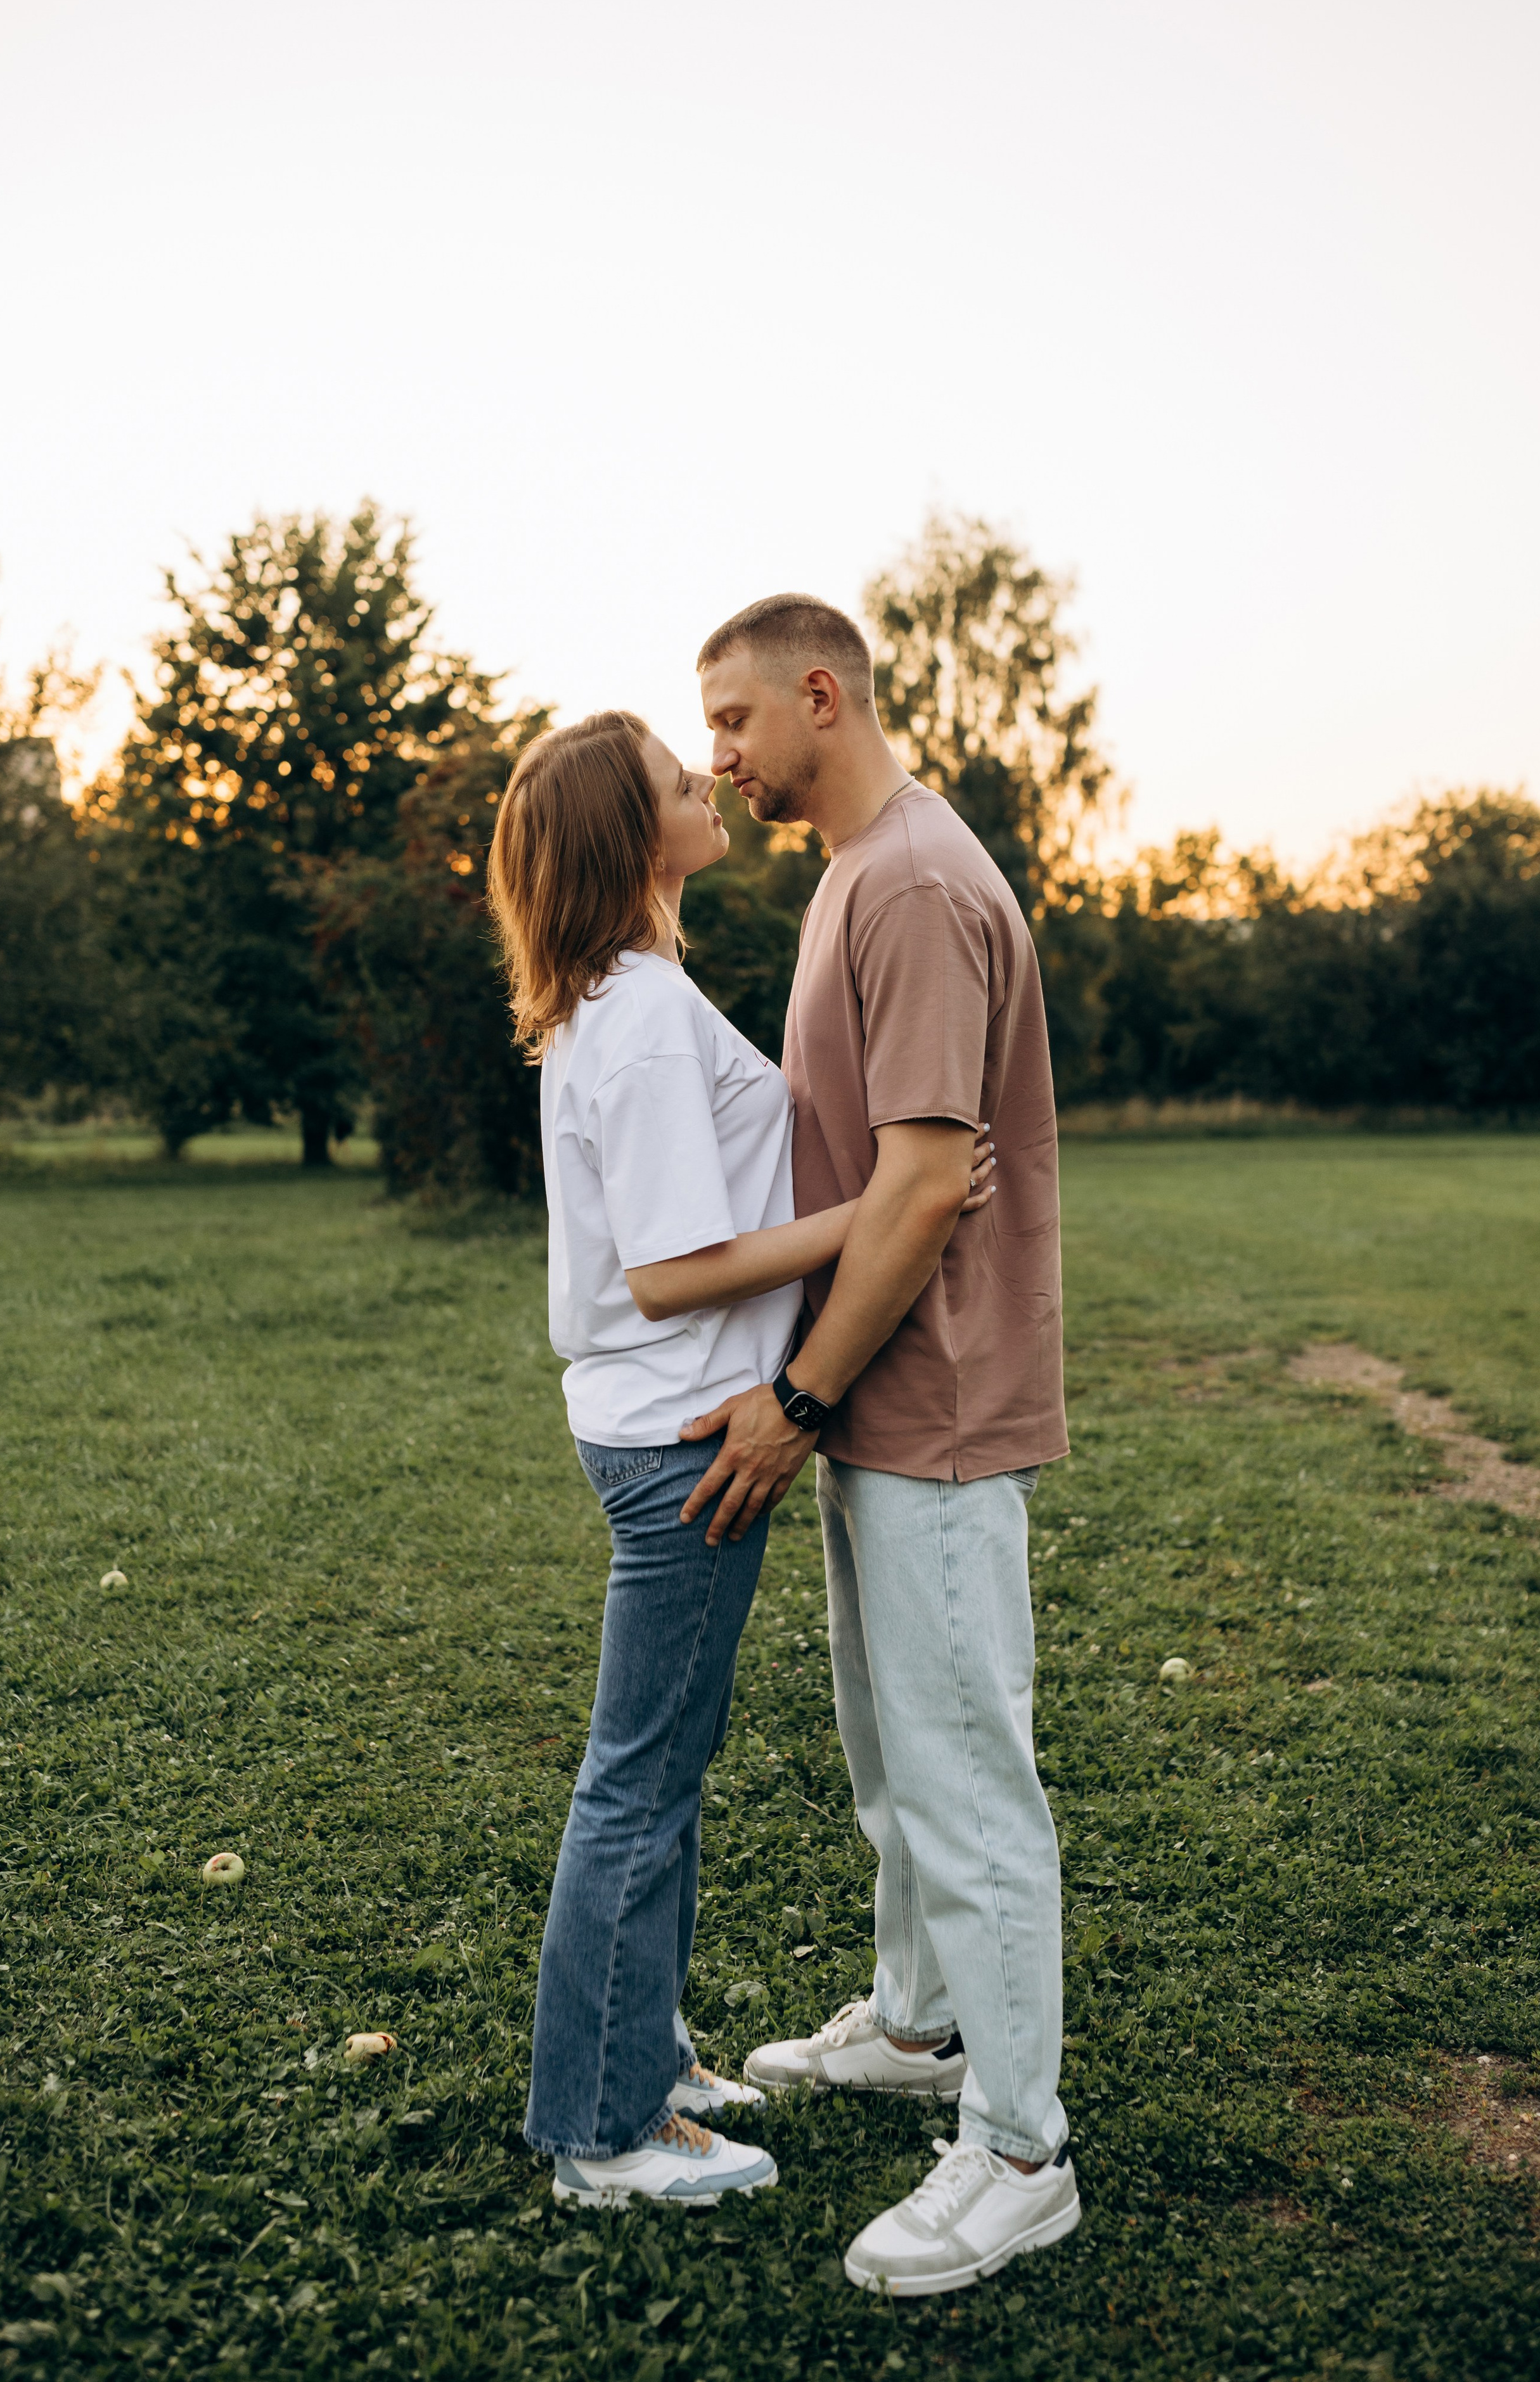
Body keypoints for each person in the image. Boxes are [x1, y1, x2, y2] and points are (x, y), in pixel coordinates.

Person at [487, 707, 996, 2210]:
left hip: (655, 1427)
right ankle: (604, 2130)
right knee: (638, 1779)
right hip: (677, 1441)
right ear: (629, 837)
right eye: (670, 777)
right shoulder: (635, 1014)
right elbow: (667, 1268)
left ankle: (637, 2050)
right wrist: (893, 1205)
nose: (706, 778)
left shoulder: (630, 991)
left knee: (662, 1770)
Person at [679, 596, 1081, 2295]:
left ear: (818, 697)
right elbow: (886, 1161)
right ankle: (920, 2028)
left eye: (730, 722)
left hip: (927, 1411)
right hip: (883, 1405)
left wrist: (798, 1400)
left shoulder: (912, 881)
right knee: (893, 1750)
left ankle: (1017, 2148)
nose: (719, 757)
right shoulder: (862, 871)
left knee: (968, 1779)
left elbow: (922, 1183)